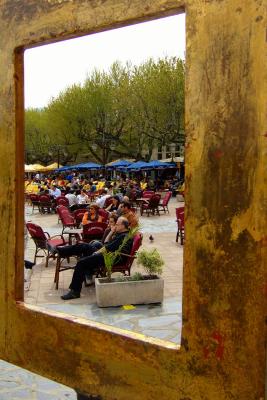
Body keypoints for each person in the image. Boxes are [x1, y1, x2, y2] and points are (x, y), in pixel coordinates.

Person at [60, 217, 133, 300]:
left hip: (112, 258)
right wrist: (112, 232)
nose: (115, 226)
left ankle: (75, 292)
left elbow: (107, 247)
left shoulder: (124, 236)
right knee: (85, 246)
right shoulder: (120, 234)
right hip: (109, 255)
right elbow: (106, 243)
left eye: (117, 224)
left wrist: (95, 253)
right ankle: (61, 250)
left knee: (81, 263)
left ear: (123, 226)